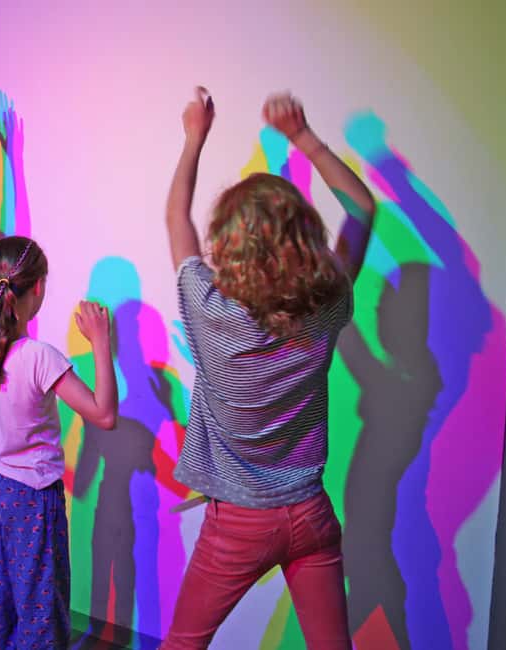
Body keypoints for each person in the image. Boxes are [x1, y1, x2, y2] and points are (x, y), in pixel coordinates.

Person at [160, 88, 376, 649]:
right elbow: (361, 210)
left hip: (239, 523)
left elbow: (176, 217)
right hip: (310, 513)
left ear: (228, 247)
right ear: (305, 237)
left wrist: (194, 137)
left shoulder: (211, 311)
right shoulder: (328, 303)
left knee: (182, 644)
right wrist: (302, 136)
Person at [0, 236, 119, 649]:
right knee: (39, 603)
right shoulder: (41, 356)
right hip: (32, 495)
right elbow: (104, 415)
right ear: (38, 287)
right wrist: (100, 342)